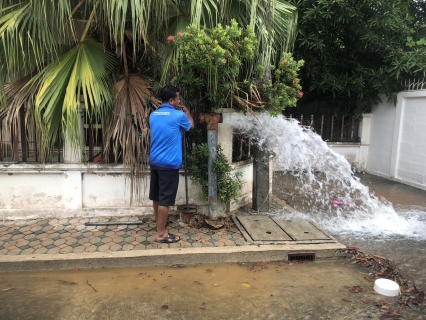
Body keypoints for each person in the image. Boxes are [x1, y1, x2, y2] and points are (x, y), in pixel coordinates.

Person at [149, 85, 194, 243]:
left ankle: (159, 226)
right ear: (171, 100)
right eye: (178, 98)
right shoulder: (178, 115)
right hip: (169, 164)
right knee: (165, 200)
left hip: (155, 162)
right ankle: (161, 234)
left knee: (156, 196)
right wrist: (187, 111)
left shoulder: (153, 115)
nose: (179, 100)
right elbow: (191, 126)